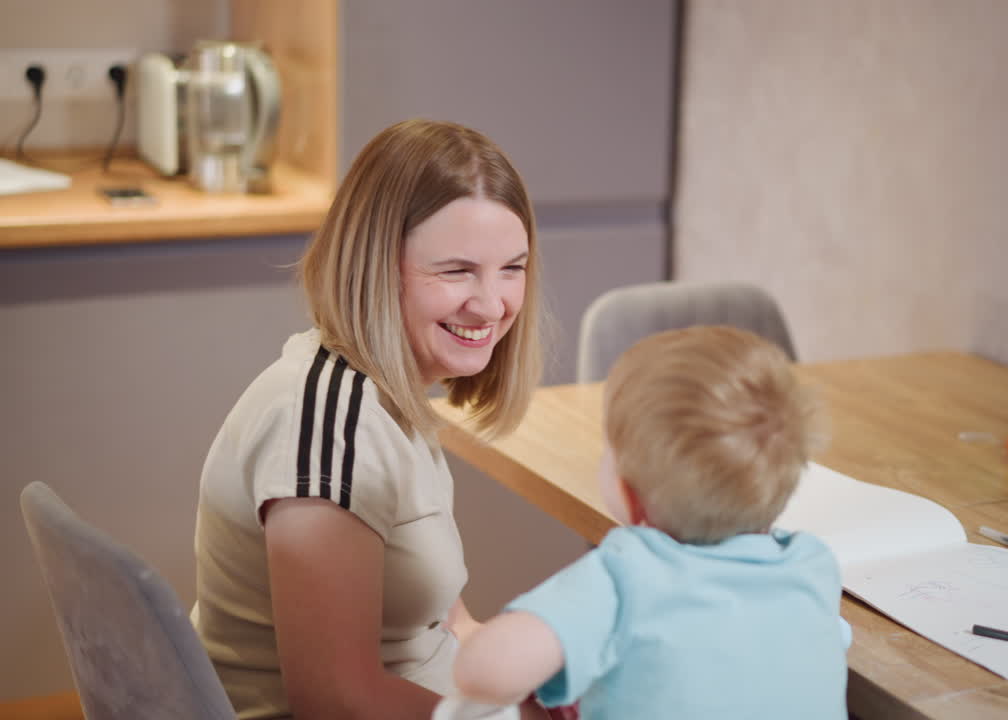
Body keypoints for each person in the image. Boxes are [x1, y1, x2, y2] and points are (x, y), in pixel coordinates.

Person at [191, 118, 551, 719]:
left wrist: (530, 691)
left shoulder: (388, 392)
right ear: (376, 266)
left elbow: (445, 619)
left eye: (512, 268)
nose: (492, 304)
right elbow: (336, 701)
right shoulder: (328, 427)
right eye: (457, 270)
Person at [449, 325, 851, 719]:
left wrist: (464, 628)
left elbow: (484, 672)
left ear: (629, 494)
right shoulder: (813, 567)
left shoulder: (625, 575)